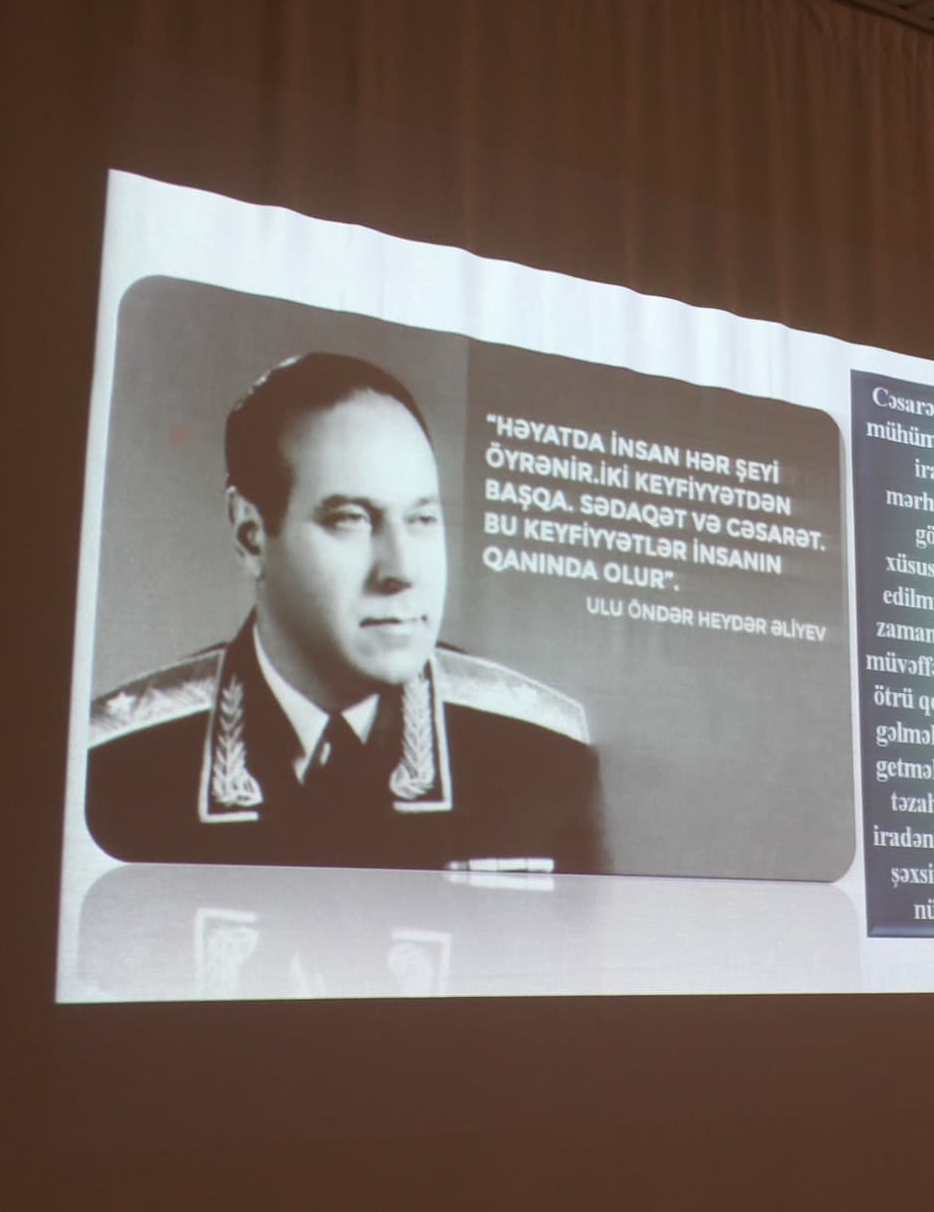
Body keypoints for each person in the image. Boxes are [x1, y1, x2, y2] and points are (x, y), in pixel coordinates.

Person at [86, 353, 606, 873]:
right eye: (351, 519)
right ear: (251, 535)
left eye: (422, 519)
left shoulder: (540, 758)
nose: (401, 570)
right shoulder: (119, 768)